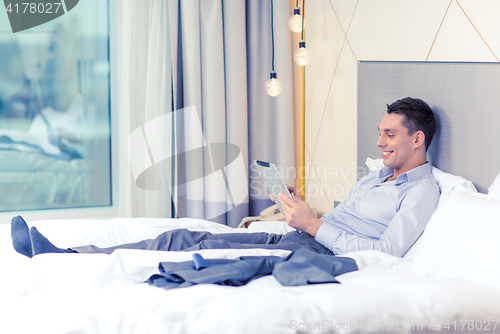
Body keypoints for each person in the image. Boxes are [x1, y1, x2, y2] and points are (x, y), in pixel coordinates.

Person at [11, 97, 439, 258]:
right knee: (185, 236)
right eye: (379, 132)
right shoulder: (376, 177)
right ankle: (67, 252)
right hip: (304, 238)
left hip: (317, 254)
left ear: (417, 139)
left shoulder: (422, 192)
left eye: (389, 134)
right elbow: (343, 222)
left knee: (195, 247)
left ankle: (67, 257)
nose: (379, 141)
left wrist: (313, 225)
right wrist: (300, 205)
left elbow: (387, 252)